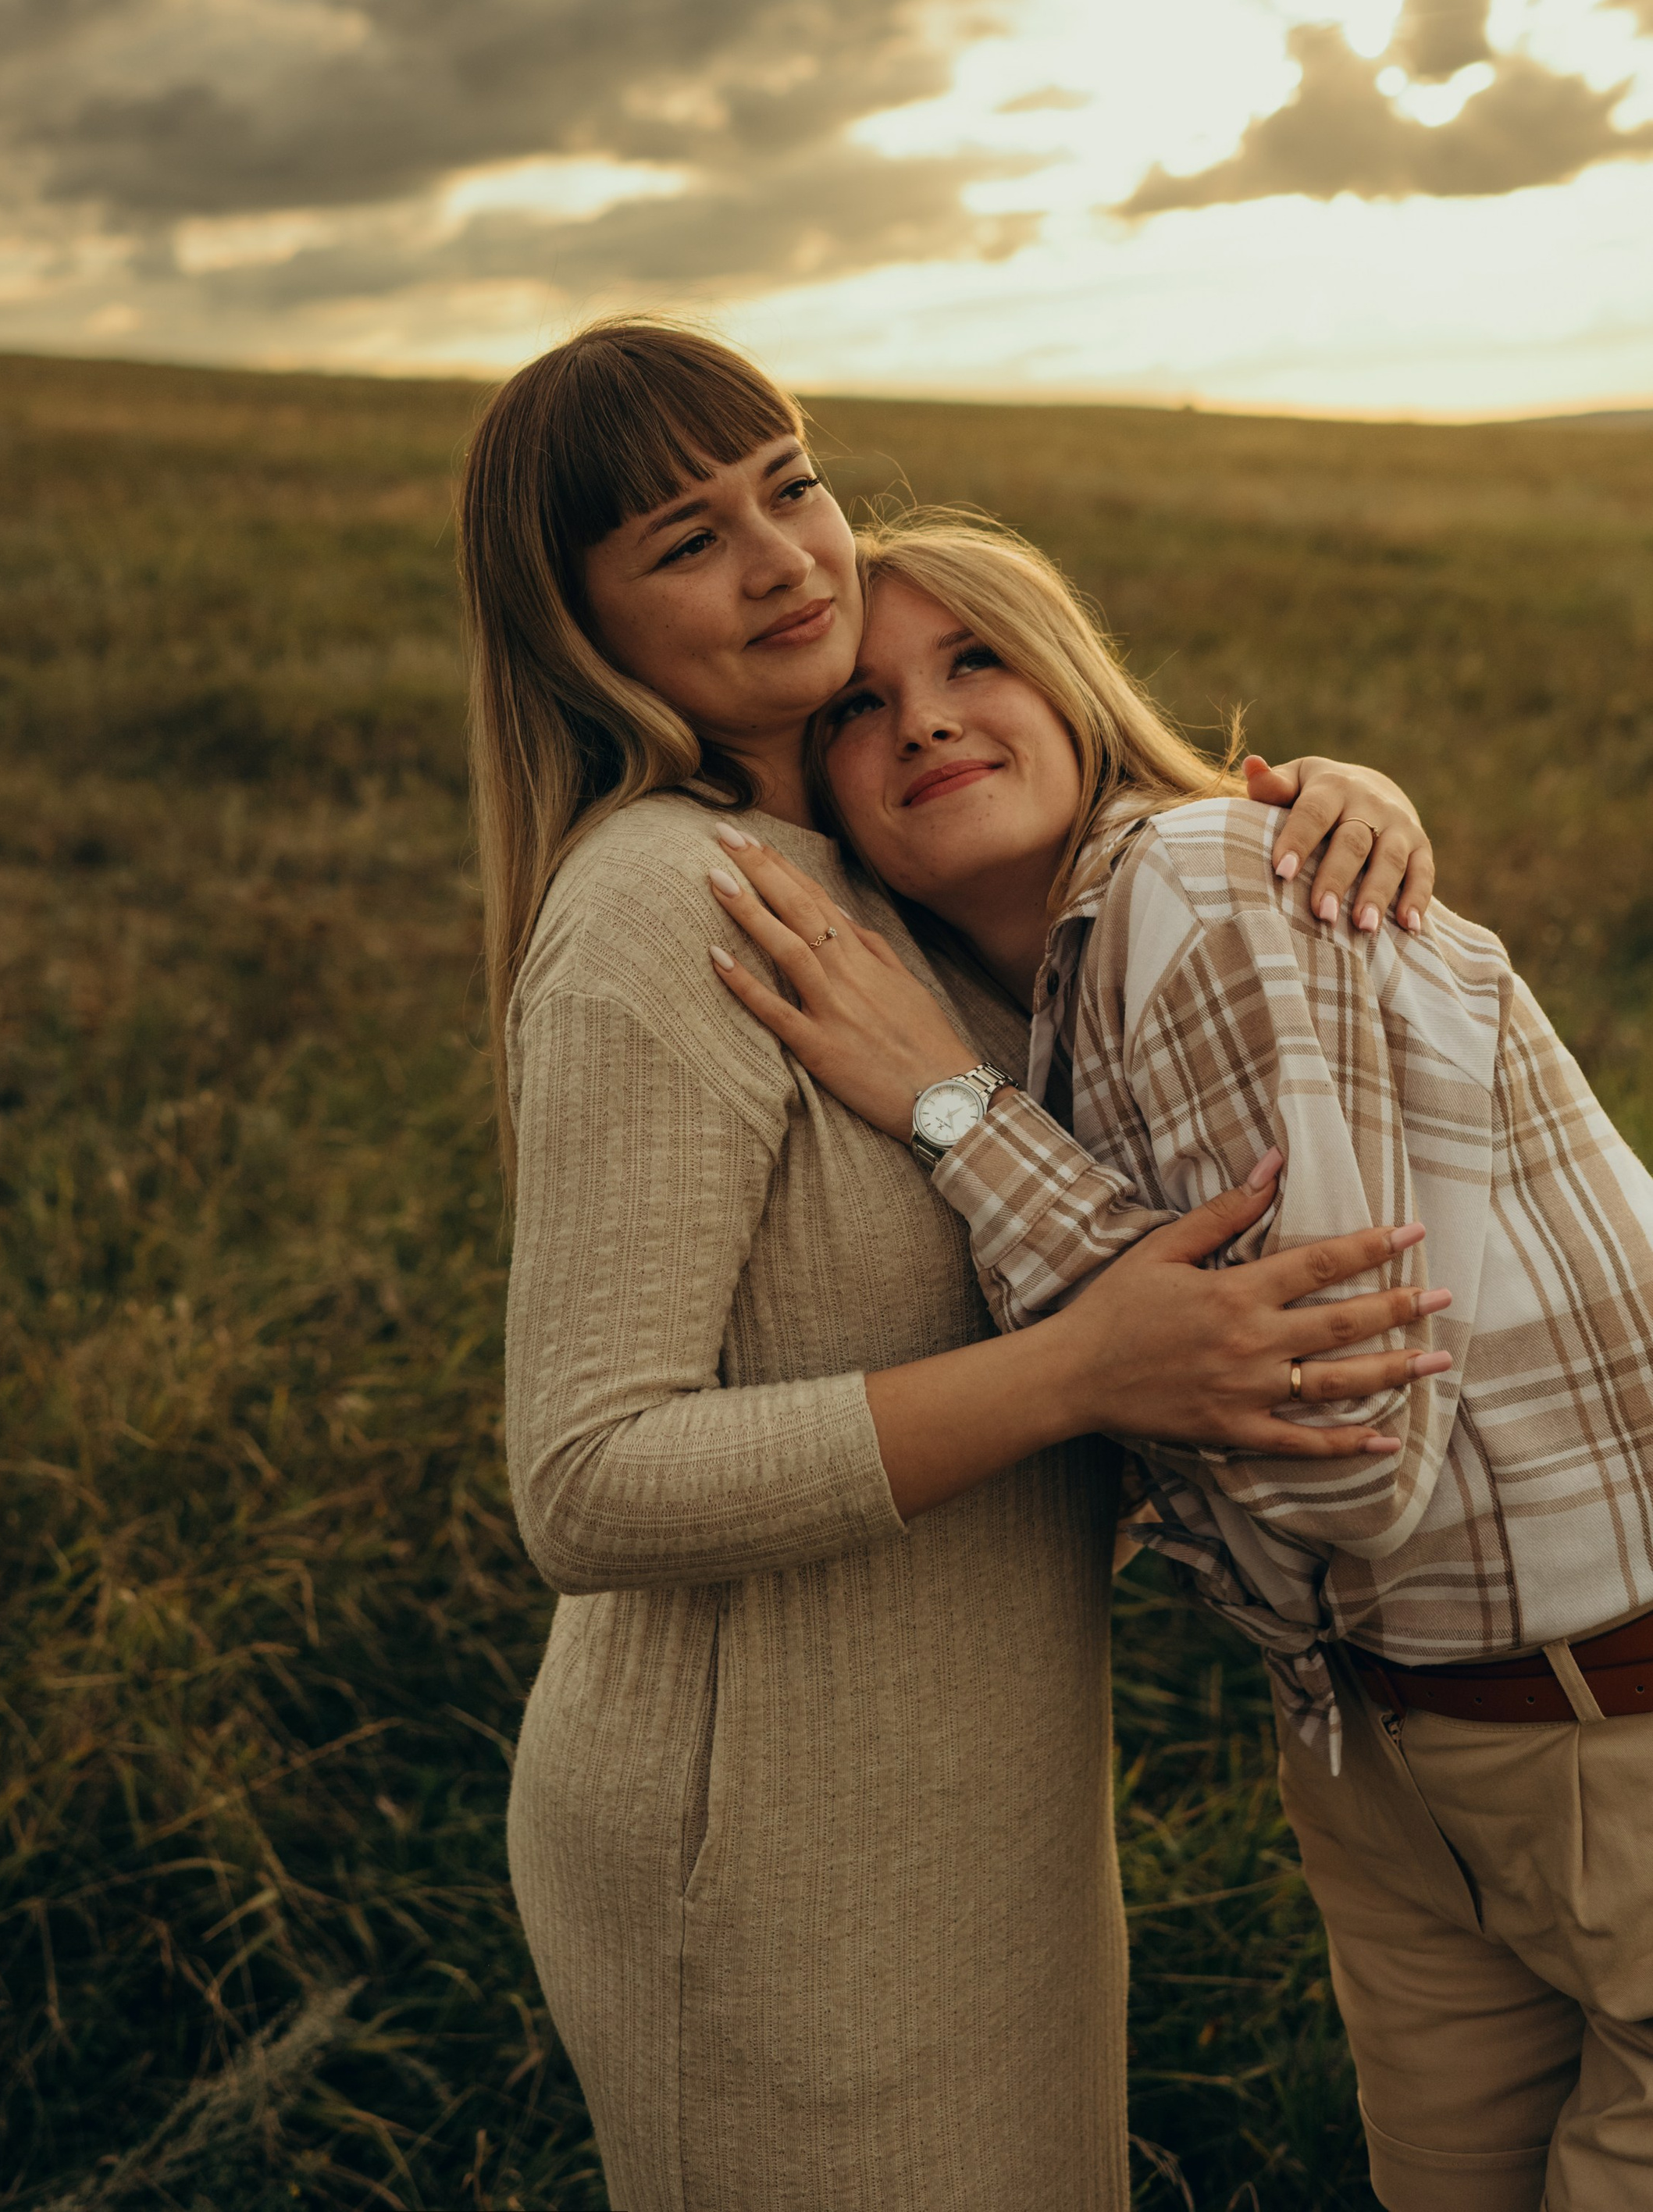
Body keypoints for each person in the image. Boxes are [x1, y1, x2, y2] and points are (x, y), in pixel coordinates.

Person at [457, 320, 1448, 2212]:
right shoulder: (668, 909)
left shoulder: (860, 839)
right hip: (764, 1858)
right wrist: (1080, 1377)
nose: (786, 562)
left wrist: (1339, 801)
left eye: (791, 484)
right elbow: (583, 1480)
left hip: (970, 1801)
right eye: (685, 540)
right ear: (575, 627)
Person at [708, 507, 1653, 2212]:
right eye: (856, 703)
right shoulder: (1050, 991)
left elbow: (1346, 1454)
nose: (919, 719)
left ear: (1071, 687)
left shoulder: (1200, 887)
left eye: (972, 658)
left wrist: (952, 1113)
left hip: (1614, 1726)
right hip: (1385, 1749)